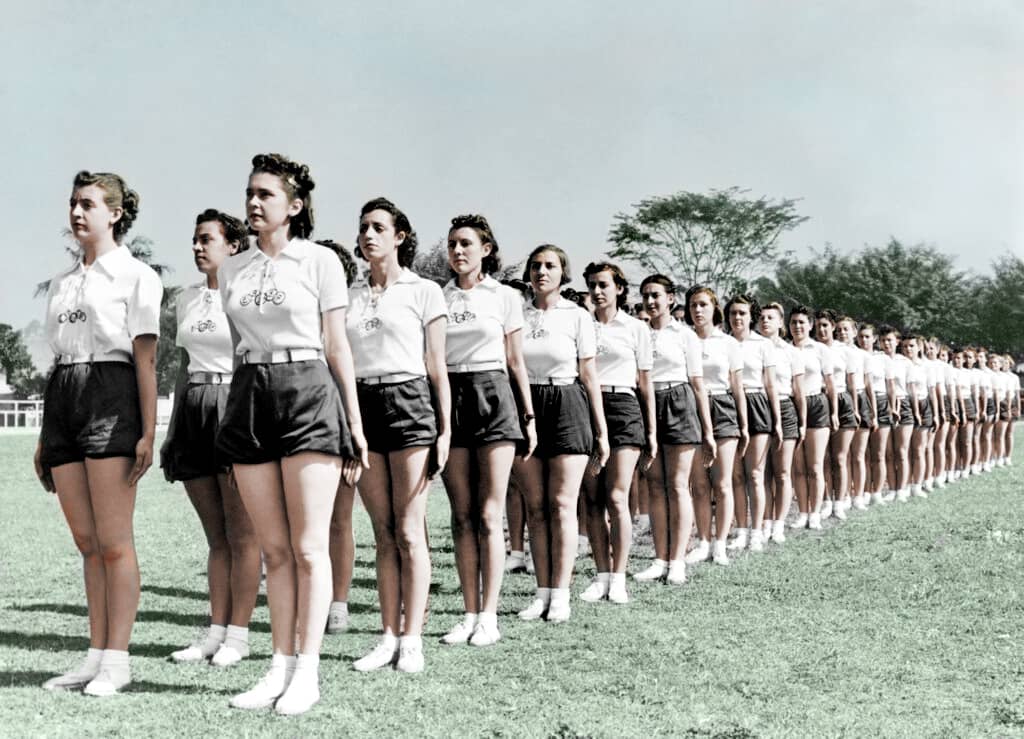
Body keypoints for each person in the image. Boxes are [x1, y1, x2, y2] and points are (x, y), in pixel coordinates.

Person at [217, 154, 365, 714]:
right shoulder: (232, 268)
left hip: (308, 389)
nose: (253, 203)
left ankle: (308, 672)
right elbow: (237, 348)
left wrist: (353, 422)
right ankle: (277, 668)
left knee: (307, 548)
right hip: (252, 393)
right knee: (273, 551)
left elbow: (337, 346)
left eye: (266, 195)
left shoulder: (320, 261)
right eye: (249, 193)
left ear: (294, 206)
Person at [36, 170, 162, 696]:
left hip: (113, 395)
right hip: (65, 396)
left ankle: (119, 658)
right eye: (72, 203)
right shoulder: (64, 283)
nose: (77, 212)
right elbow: (55, 360)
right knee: (86, 542)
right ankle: (94, 656)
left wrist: (148, 433)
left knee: (113, 543)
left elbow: (147, 362)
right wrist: (46, 433)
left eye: (88, 203)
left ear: (115, 213)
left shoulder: (137, 277)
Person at [345, 197, 450, 673]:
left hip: (409, 404)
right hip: (363, 406)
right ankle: (387, 636)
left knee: (410, 532)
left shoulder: (424, 290)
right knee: (382, 532)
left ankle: (413, 639)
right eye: (364, 227)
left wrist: (444, 429)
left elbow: (436, 367)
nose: (369, 235)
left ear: (400, 237)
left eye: (379, 227)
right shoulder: (348, 294)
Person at [161, 209, 260, 667]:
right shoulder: (186, 298)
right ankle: (215, 631)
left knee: (242, 535)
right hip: (195, 409)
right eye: (195, 240)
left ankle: (239, 635)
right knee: (215, 537)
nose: (198, 247)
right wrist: (172, 429)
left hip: (233, 406)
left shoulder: (246, 296)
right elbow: (183, 366)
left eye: (207, 239)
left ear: (233, 246)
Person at [438, 214, 535, 646]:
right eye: (453, 244)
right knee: (462, 516)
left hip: (494, 395)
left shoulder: (505, 296)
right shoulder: (436, 296)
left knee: (489, 513)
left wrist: (528, 417)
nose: (458, 251)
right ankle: (469, 611)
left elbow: (516, 361)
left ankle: (490, 615)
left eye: (466, 244)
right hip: (452, 397)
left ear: (486, 249)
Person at [515, 244, 609, 623]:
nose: (541, 272)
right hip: (527, 405)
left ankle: (562, 593)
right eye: (536, 265)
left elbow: (589, 376)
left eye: (550, 266)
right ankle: (542, 592)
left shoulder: (578, 316)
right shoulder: (517, 314)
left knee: (561, 504)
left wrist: (601, 432)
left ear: (562, 273)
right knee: (535, 507)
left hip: (567, 402)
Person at [579, 262, 655, 604]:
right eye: (592, 285)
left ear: (619, 289)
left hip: (624, 409)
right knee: (592, 500)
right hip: (586, 409)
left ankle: (620, 577)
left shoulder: (636, 328)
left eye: (604, 285)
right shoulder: (581, 324)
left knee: (616, 496)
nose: (597, 292)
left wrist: (651, 430)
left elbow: (645, 383)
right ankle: (601, 575)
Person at [631, 275, 713, 584]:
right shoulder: (638, 331)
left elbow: (698, 383)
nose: (650, 302)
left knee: (678, 485)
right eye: (645, 296)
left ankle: (677, 560)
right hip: (646, 403)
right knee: (655, 486)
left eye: (656, 296)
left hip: (678, 400)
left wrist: (707, 431)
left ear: (670, 299)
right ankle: (659, 558)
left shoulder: (685, 334)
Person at [315, 239, 359, 636]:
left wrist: (351, 432)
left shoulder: (353, 320)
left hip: (343, 423)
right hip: (306, 421)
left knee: (339, 520)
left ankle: (339, 603)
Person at [684, 285, 747, 565]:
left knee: (722, 483)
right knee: (698, 483)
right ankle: (703, 541)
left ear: (714, 309)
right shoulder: (685, 340)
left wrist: (744, 425)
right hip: (690, 408)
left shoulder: (728, 343)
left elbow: (737, 386)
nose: (698, 310)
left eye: (703, 305)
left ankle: (720, 542)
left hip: (722, 408)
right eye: (693, 305)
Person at [725, 294, 781, 553]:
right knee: (736, 475)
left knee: (755, 474)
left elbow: (770, 384)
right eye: (733, 313)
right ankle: (741, 529)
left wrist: (777, 421)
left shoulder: (762, 345)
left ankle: (757, 532)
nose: (737, 318)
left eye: (743, 313)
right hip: (727, 405)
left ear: (751, 316)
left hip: (756, 403)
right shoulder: (722, 343)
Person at [758, 302, 805, 542]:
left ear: (780, 322)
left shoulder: (790, 352)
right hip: (759, 406)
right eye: (762, 317)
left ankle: (779, 523)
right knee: (761, 472)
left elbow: (798, 390)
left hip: (786, 408)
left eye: (770, 317)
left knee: (782, 471)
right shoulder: (751, 347)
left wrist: (802, 422)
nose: (765, 321)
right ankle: (764, 521)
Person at [788, 305, 836, 529]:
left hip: (816, 403)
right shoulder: (784, 349)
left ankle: (815, 512)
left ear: (810, 325)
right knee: (798, 466)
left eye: (802, 322)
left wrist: (834, 412)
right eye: (793, 322)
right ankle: (803, 512)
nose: (797, 326)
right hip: (791, 405)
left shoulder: (820, 350)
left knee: (815, 465)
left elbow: (830, 384)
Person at [815, 309, 855, 519]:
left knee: (840, 457)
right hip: (820, 401)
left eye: (826, 325)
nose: (822, 330)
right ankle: (826, 501)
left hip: (842, 399)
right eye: (818, 325)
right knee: (822, 457)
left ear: (833, 327)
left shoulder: (845, 350)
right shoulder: (811, 348)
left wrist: (855, 409)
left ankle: (839, 501)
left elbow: (852, 383)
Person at [838, 316, 875, 511]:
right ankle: (843, 495)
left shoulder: (863, 356)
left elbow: (869, 384)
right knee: (842, 454)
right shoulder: (832, 350)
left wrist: (873, 412)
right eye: (840, 329)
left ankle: (858, 494)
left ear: (854, 332)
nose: (843, 333)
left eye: (847, 329)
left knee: (859, 454)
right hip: (842, 398)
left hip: (860, 399)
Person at [859, 323, 895, 504]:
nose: (864, 340)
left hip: (881, 402)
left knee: (879, 453)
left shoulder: (883, 359)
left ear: (874, 339)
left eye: (868, 337)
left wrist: (892, 406)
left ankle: (877, 492)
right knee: (863, 453)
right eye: (861, 336)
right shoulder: (855, 355)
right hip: (862, 401)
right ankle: (864, 491)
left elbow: (891, 386)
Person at [880, 326, 913, 501]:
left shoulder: (905, 362)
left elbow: (911, 387)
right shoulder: (877, 359)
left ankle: (903, 488)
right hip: (883, 404)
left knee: (902, 450)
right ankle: (892, 488)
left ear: (897, 341)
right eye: (883, 340)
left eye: (890, 340)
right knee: (889, 451)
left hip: (903, 404)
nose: (886, 344)